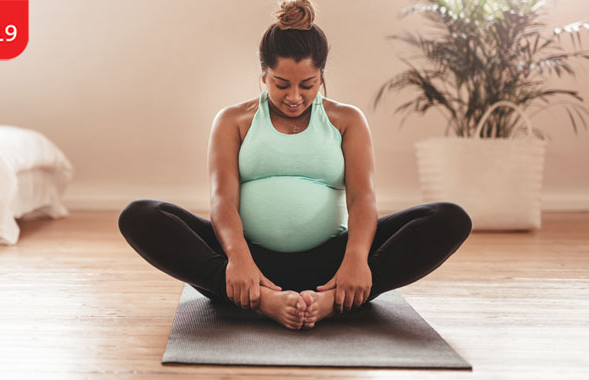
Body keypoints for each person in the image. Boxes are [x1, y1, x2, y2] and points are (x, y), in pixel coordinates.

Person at [118, 0, 472, 330]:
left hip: (330, 264)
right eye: (281, 84)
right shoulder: (233, 120)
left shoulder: (347, 120)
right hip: (248, 263)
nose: (294, 97)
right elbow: (222, 200)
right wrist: (239, 259)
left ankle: (334, 299)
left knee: (449, 218)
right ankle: (261, 299)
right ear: (263, 75)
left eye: (308, 85)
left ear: (321, 76)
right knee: (140, 214)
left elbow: (362, 200)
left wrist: (356, 258)